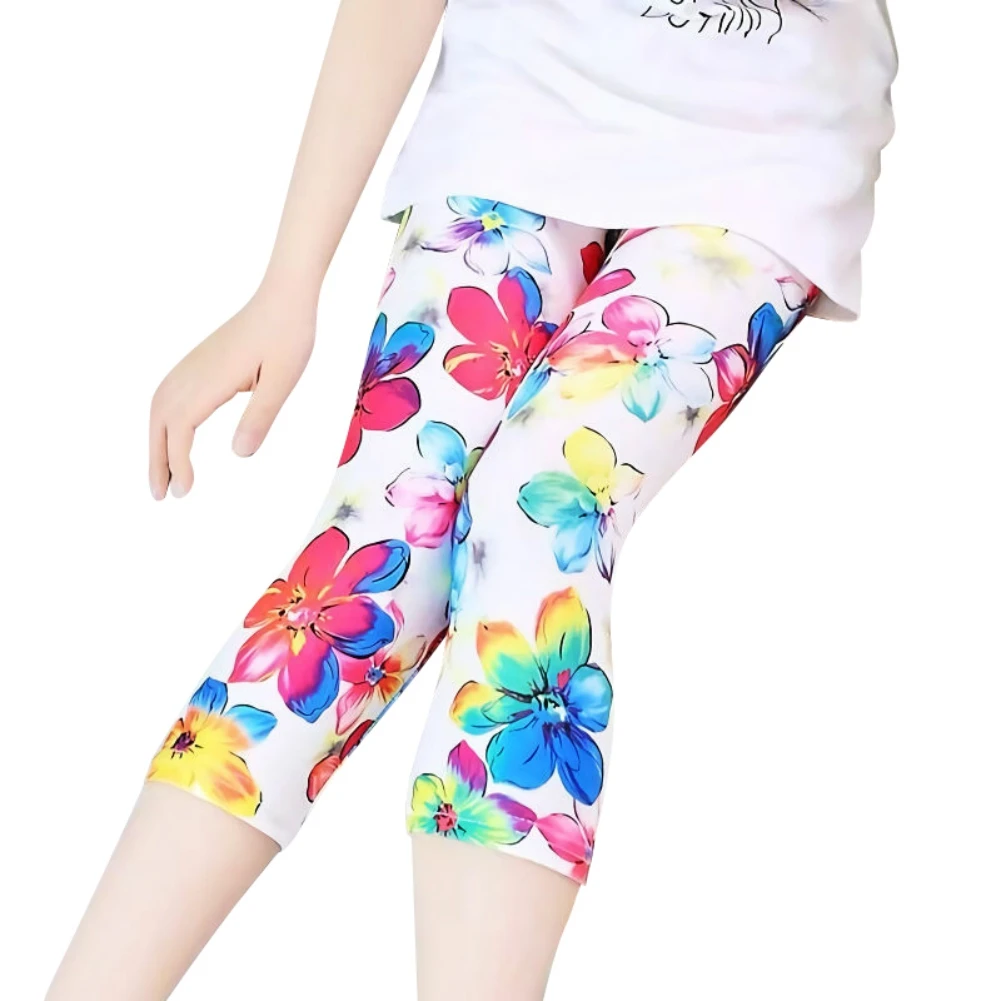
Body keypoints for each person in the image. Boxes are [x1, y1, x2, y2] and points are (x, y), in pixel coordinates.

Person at [45, 1, 898, 998]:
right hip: (518, 101)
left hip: (760, 142)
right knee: (378, 540)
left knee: (543, 507)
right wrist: (286, 284)